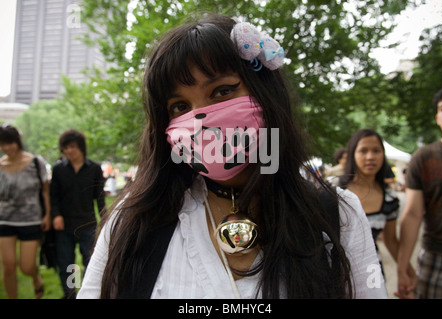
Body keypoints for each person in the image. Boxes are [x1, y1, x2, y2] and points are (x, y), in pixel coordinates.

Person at [78, 14, 386, 299]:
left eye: (222, 91)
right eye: (180, 107)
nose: (200, 119)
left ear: (265, 93)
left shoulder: (337, 215)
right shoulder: (132, 224)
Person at [339, 129, 416, 283]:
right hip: (337, 274)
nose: (370, 157)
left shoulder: (389, 199)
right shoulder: (335, 193)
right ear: (353, 154)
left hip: (372, 276)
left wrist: (409, 273)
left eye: (376, 151)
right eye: (363, 151)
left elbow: (391, 241)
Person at [397, 85, 442, 299]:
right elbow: (412, 214)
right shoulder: (424, 157)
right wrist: (402, 267)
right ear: (438, 117)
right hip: (437, 257)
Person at [50, 129, 106, 299]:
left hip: (87, 223)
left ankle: (90, 293)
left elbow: (100, 196)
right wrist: (56, 215)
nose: (69, 151)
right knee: (67, 264)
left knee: (91, 261)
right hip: (64, 225)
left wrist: (104, 218)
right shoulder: (59, 170)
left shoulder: (95, 169)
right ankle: (70, 294)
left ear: (81, 147)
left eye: (72, 147)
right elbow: (54, 196)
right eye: (65, 148)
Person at [0, 124, 51, 299]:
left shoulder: (36, 163)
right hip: (5, 220)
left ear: (18, 141)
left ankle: (35, 277)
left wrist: (47, 214)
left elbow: (45, 191)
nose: (7, 148)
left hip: (31, 220)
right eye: (3, 144)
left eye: (10, 143)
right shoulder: (0, 165)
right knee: (8, 266)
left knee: (27, 266)